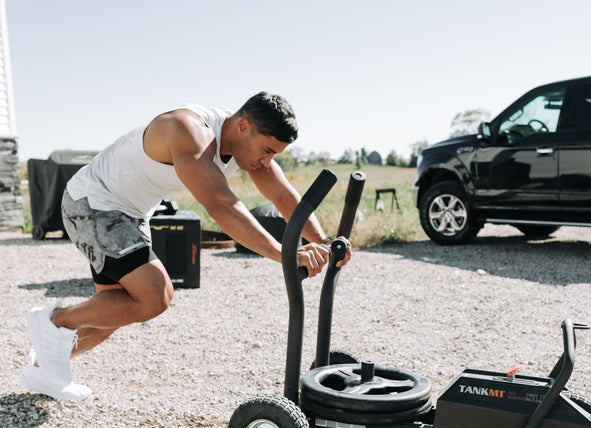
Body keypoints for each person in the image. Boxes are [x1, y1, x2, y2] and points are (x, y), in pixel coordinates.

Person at [19, 92, 350, 401]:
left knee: (112, 314)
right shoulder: (187, 130)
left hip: (130, 214)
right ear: (243, 126)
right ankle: (54, 321)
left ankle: (42, 368)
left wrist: (323, 241)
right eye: (266, 151)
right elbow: (221, 206)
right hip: (93, 202)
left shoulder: (246, 145)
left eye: (274, 155)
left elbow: (283, 196)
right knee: (154, 295)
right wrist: (284, 254)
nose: (267, 162)